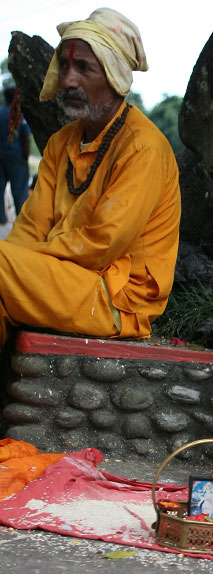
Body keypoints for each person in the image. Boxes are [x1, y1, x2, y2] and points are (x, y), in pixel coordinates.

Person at [0, 8, 180, 347]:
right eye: (65, 66)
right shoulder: (60, 142)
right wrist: (16, 263)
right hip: (70, 279)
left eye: (84, 68)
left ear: (114, 75)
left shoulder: (144, 147)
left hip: (117, 298)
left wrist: (21, 263)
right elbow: (28, 229)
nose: (68, 80)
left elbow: (102, 244)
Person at [0, 86, 31, 222]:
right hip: (16, 155)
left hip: (1, 155)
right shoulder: (18, 114)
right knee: (19, 189)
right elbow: (26, 137)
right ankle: (21, 219)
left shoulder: (0, 112)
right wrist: (26, 156)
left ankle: (1, 217)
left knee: (0, 187)